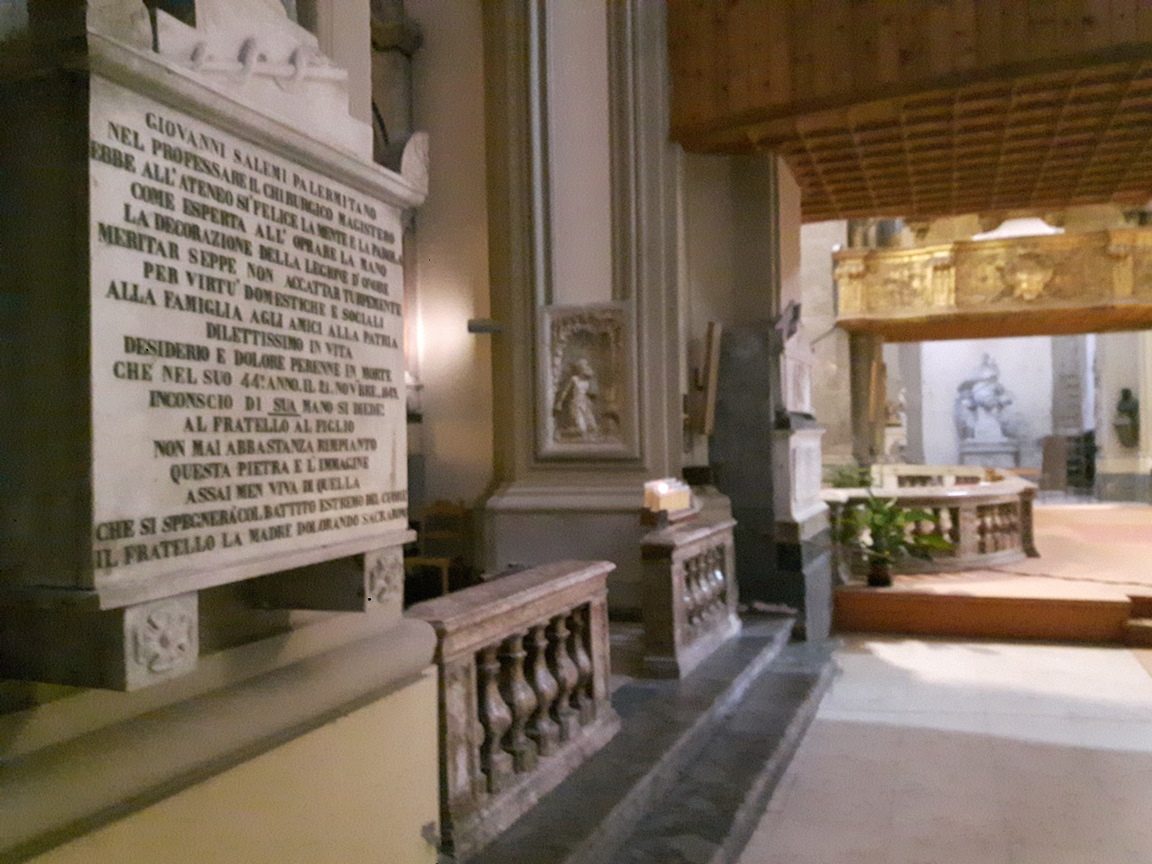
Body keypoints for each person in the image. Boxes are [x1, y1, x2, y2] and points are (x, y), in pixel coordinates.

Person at [554, 358, 599, 440]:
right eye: (583, 367)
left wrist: (590, 399)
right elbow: (565, 391)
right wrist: (559, 402)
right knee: (580, 425)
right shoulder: (574, 379)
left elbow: (588, 392)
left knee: (591, 424)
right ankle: (563, 433)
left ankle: (588, 440)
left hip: (585, 403)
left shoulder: (586, 380)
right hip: (575, 403)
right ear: (580, 369)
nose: (585, 369)